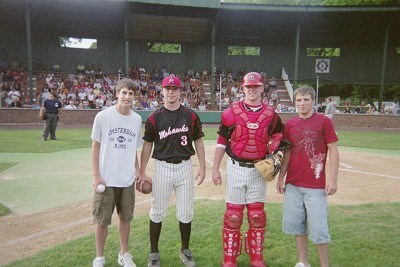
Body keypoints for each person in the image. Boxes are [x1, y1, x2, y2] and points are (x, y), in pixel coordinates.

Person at [212, 72, 286, 267]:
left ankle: (257, 258)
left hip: (257, 169)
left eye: (256, 87)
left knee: (257, 215)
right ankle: (229, 258)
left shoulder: (271, 115)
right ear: (243, 88)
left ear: (262, 88)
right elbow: (222, 140)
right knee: (233, 216)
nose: (252, 90)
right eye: (248, 87)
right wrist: (216, 169)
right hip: (236, 168)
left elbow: (279, 135)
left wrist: (274, 150)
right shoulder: (231, 112)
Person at [139, 76, 206, 267]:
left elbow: (198, 140)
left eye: (174, 88)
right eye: (167, 88)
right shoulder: (154, 117)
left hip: (185, 166)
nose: (171, 91)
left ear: (180, 91)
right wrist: (142, 171)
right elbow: (147, 145)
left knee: (186, 211)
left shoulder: (191, 115)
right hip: (162, 167)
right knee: (157, 211)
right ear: (162, 91)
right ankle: (154, 253)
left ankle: (185, 250)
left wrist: (202, 166)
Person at [276, 86, 339, 267]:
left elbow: (333, 150)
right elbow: (287, 152)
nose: (302, 103)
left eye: (306, 99)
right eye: (299, 100)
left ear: (313, 101)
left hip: (316, 186)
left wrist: (333, 179)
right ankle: (303, 262)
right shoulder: (290, 124)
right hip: (293, 184)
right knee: (298, 227)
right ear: (294, 102)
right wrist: (281, 177)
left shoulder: (324, 122)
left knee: (319, 230)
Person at [91, 78, 142, 267]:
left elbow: (132, 149)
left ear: (134, 97)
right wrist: (96, 175)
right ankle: (99, 257)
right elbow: (95, 147)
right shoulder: (103, 117)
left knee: (125, 219)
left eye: (131, 93)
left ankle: (124, 254)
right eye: (124, 92)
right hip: (106, 179)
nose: (127, 96)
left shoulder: (136, 119)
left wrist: (137, 169)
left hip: (126, 179)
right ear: (117, 94)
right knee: (102, 220)